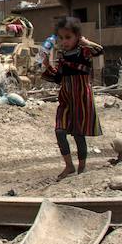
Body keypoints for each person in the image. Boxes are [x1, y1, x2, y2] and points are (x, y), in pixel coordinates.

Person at [42, 16, 104, 178]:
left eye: (68, 37)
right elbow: (58, 79)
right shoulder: (62, 57)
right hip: (66, 98)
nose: (64, 41)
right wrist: (47, 65)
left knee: (78, 133)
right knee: (60, 131)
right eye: (61, 38)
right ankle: (69, 166)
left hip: (82, 97)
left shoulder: (84, 51)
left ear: (77, 36)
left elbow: (100, 51)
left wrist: (87, 43)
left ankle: (82, 168)